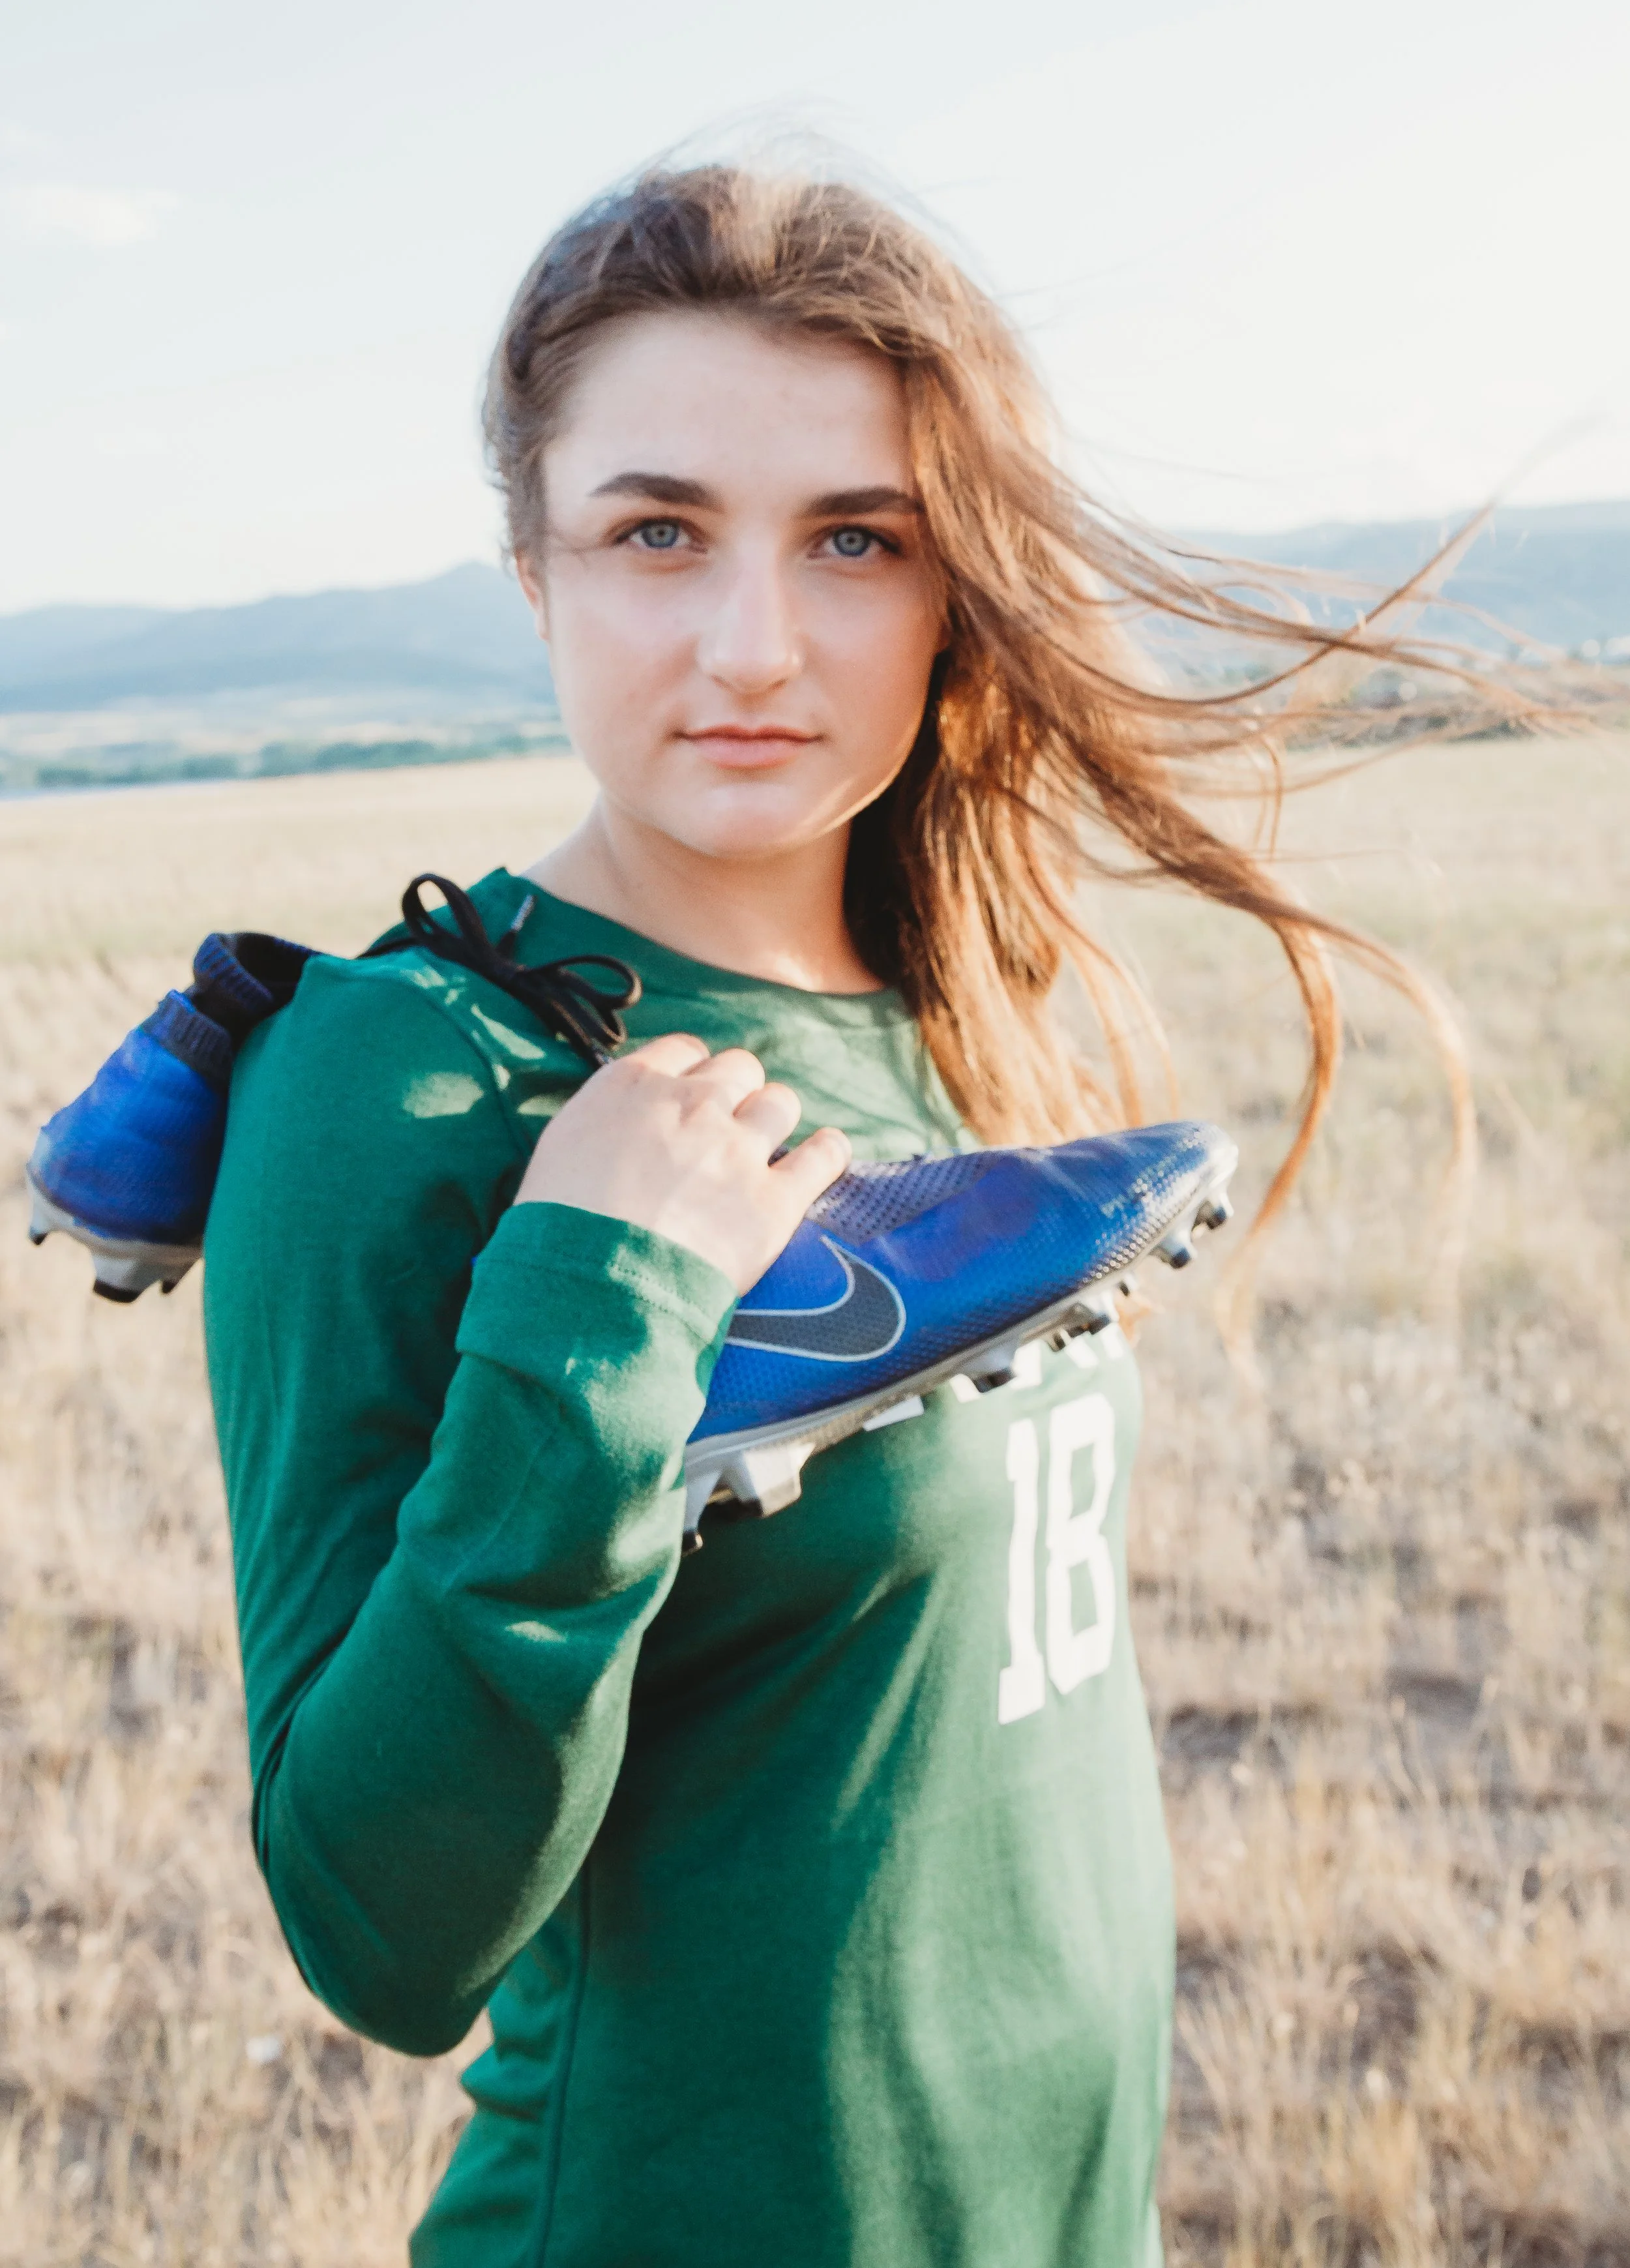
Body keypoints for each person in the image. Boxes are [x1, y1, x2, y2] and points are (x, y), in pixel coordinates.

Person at [202, 164, 1460, 2266]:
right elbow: (379, 1935)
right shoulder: (406, 1083)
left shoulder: (959, 1009)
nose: (754, 645)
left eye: (855, 539)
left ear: (951, 580)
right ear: (534, 568)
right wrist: (594, 1303)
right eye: (656, 531)